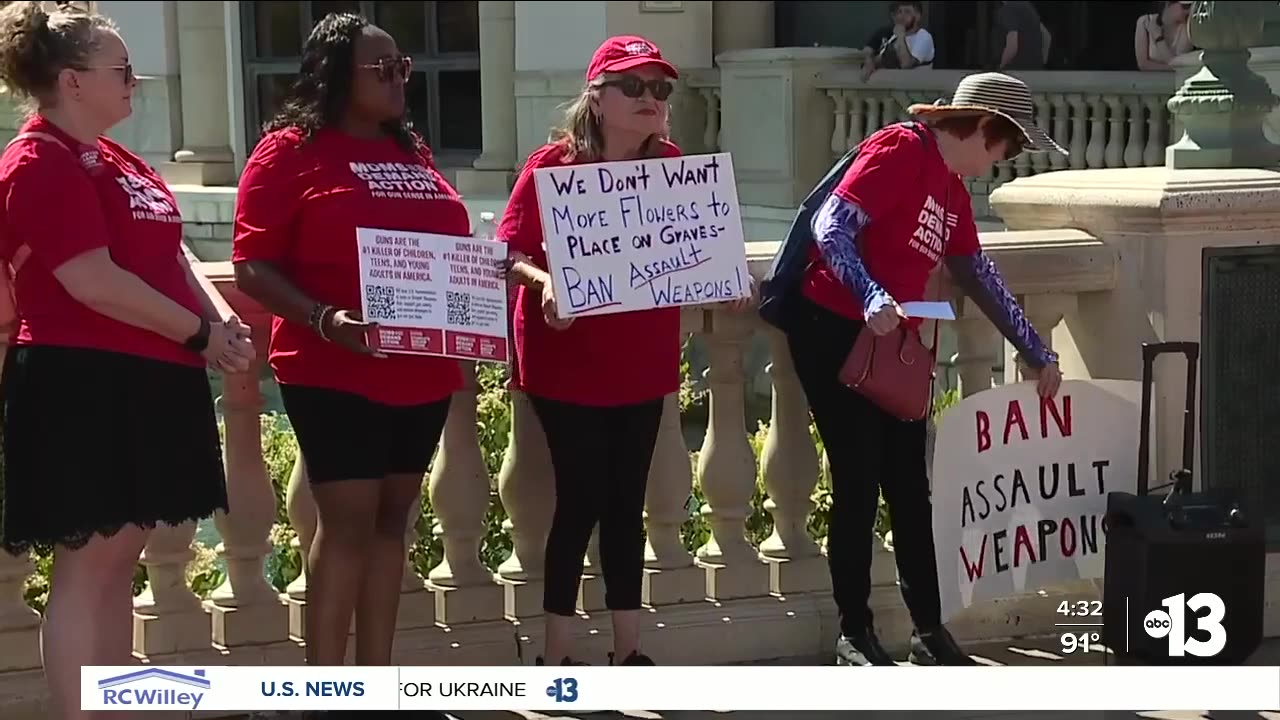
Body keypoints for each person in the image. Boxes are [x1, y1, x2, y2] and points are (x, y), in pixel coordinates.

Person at [0, 2, 253, 717]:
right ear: (72, 81)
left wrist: (220, 319)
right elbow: (91, 279)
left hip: (152, 371)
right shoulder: (36, 158)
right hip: (82, 379)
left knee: (123, 558)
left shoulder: (118, 159)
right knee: (89, 564)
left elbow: (171, 251)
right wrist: (200, 337)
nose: (134, 80)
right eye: (121, 70)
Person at [779, 72, 1065, 666]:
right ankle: (853, 633)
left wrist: (1036, 348)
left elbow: (977, 274)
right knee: (857, 480)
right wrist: (870, 295)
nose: (1003, 161)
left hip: (893, 346)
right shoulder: (900, 149)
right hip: (832, 329)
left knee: (911, 487)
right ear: (984, 128)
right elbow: (831, 225)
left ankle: (928, 631)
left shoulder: (954, 189)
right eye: (1005, 147)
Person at [498, 34, 751, 667]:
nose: (651, 99)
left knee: (626, 505)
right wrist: (545, 282)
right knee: (580, 499)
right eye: (633, 86)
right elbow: (508, 253)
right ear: (598, 98)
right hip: (566, 364)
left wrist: (729, 276)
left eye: (660, 88)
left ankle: (628, 653)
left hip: (642, 365)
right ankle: (556, 657)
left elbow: (695, 250)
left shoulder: (675, 167)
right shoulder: (550, 167)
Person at [230, 12, 464, 692]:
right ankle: (327, 695)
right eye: (381, 68)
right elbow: (252, 265)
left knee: (393, 523)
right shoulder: (287, 152)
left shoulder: (412, 152)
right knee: (349, 523)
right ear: (336, 75)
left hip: (421, 369)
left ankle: (374, 688)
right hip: (333, 367)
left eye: (403, 68)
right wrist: (326, 319)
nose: (398, 79)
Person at [861, 1, 935, 80]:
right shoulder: (891, 35)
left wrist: (900, 37)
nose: (902, 16)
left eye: (907, 12)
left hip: (916, 85)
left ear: (918, 16)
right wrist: (869, 61)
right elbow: (877, 56)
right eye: (899, 12)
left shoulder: (924, 37)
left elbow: (906, 64)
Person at [1135, 1, 1195, 71]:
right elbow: (1143, 64)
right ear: (1168, 4)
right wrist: (1173, 68)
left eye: (1191, 7)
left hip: (1176, 80)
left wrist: (1158, 37)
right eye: (1185, 7)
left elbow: (1176, 63)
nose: (1189, 11)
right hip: (1150, 79)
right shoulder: (1145, 21)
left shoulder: (1187, 27)